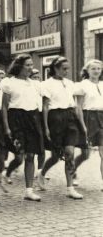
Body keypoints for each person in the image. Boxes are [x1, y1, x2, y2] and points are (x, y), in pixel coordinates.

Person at [38, 56, 86, 199]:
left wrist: (81, 124)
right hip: (55, 119)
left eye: (67, 69)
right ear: (55, 68)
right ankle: (42, 173)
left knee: (70, 152)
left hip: (70, 118)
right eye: (63, 69)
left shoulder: (70, 83)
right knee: (55, 156)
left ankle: (70, 188)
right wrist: (46, 126)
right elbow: (45, 106)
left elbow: (77, 104)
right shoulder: (46, 84)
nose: (66, 71)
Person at [1, 54, 44, 201]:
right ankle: (6, 173)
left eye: (32, 65)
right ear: (19, 66)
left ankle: (29, 191)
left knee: (31, 155)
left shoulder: (35, 84)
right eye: (27, 65)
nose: (30, 68)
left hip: (32, 119)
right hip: (16, 119)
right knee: (19, 156)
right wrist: (6, 127)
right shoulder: (9, 83)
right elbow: (4, 107)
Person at [74, 59, 103, 191]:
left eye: (98, 68)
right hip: (87, 117)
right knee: (86, 154)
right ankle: (72, 169)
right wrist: (82, 125)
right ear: (87, 70)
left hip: (101, 117)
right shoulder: (82, 85)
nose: (96, 71)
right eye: (93, 69)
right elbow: (78, 107)